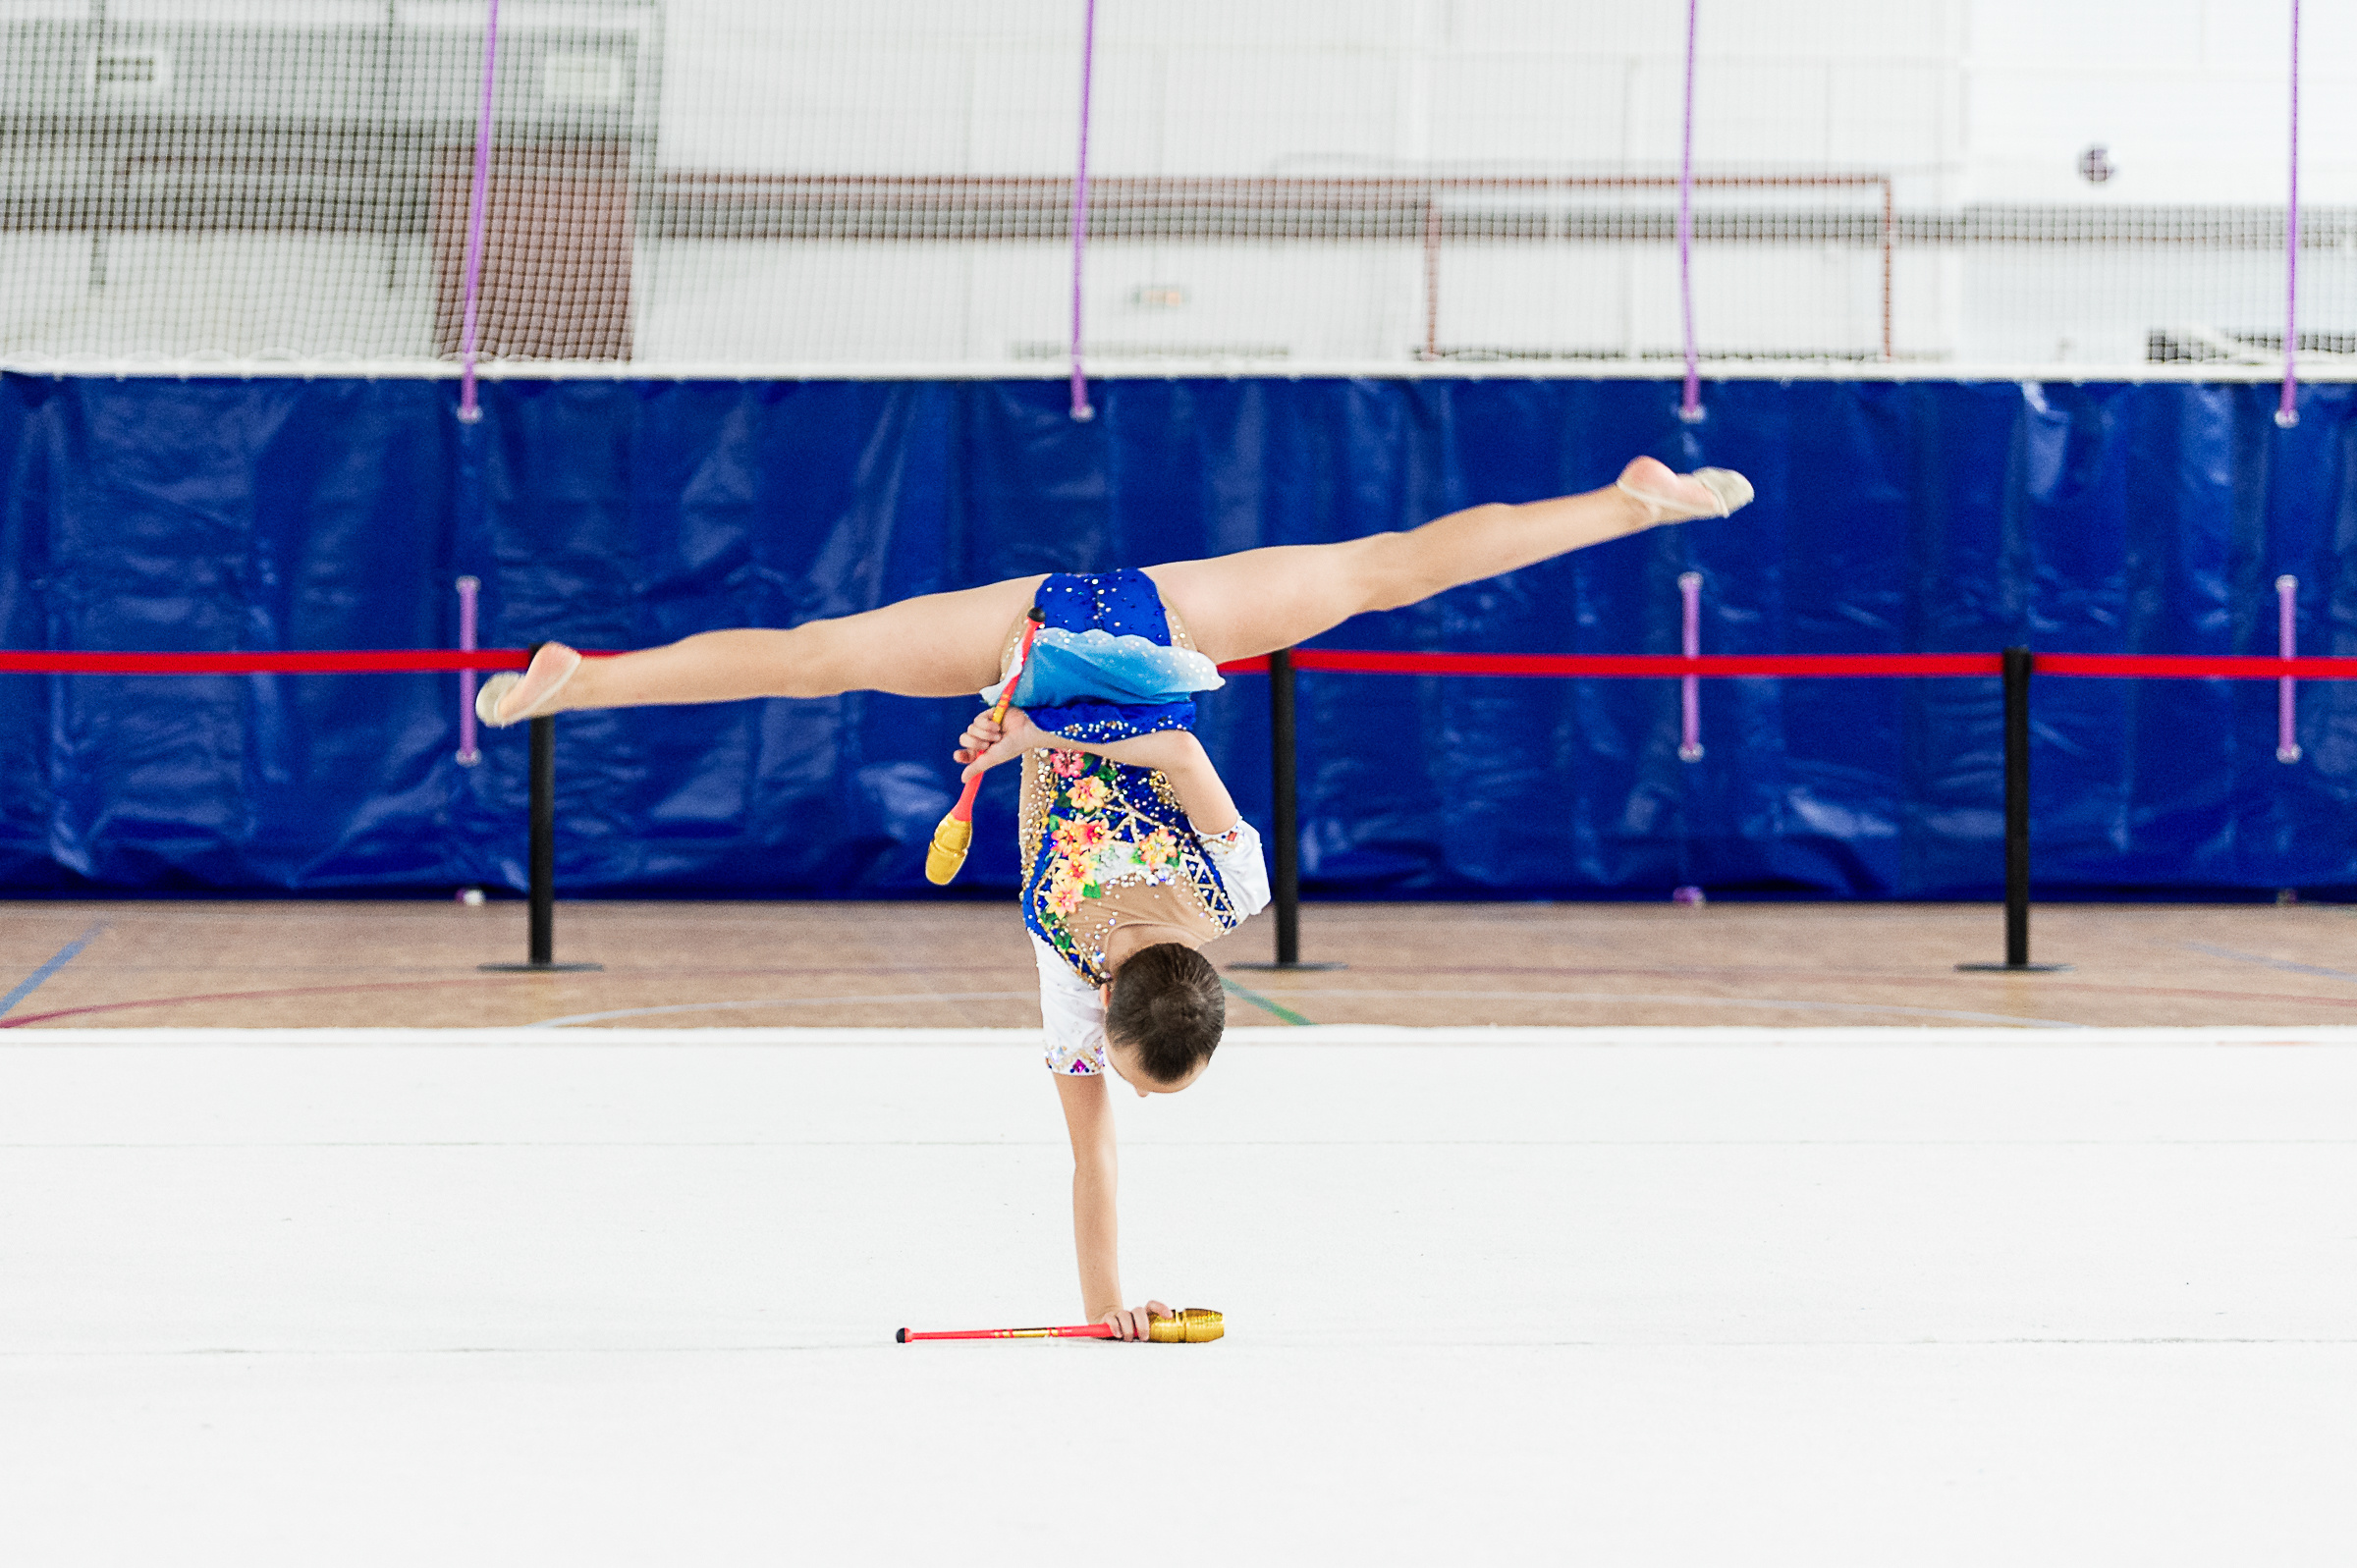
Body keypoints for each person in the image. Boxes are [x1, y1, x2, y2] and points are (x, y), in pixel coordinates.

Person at [474, 455, 1753, 1336]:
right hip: (1119, 644)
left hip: (1059, 639)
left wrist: (1107, 1310)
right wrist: (1028, 741)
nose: (1120, 1089)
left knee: (1381, 570)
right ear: (1120, 1006)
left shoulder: (1207, 908)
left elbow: (1094, 1162)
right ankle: (1631, 503)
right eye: (1141, 1075)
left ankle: (586, 681)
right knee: (1378, 571)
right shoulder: (1190, 897)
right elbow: (1175, 749)